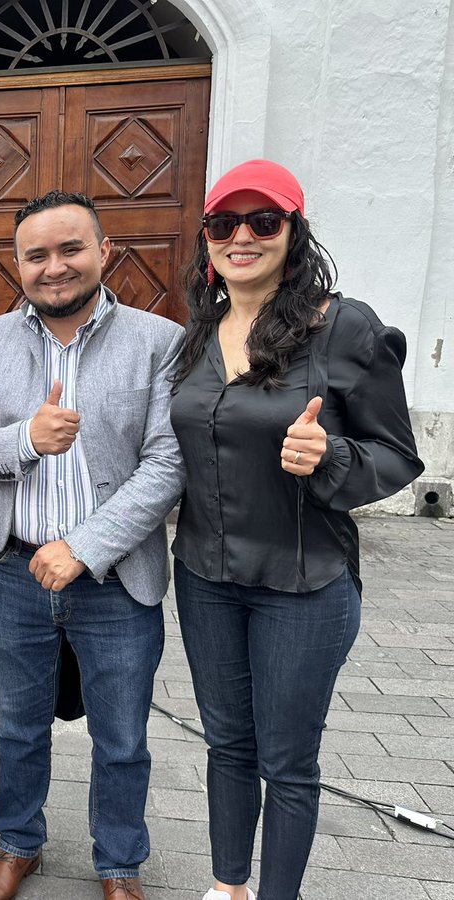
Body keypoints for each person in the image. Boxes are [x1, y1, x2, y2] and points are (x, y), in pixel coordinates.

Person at [169, 159, 424, 900]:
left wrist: (332, 454)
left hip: (302, 585)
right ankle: (228, 887)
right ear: (206, 239)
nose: (241, 236)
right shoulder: (199, 330)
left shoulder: (343, 326)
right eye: (223, 223)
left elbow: (397, 454)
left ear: (294, 231)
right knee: (227, 744)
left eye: (263, 221)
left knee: (286, 762)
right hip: (206, 577)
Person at [0, 191, 185, 900]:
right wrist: (26, 438)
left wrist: (84, 545)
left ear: (103, 252)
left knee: (121, 739)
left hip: (116, 578)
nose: (55, 267)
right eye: (37, 255)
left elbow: (167, 463)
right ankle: (19, 842)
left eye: (70, 249)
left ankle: (119, 864)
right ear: (17, 264)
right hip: (15, 571)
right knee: (16, 727)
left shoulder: (157, 340)